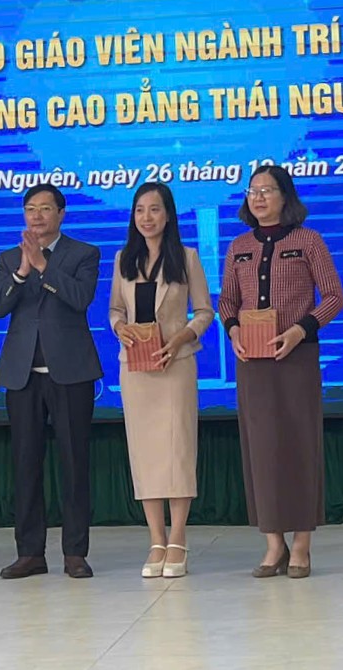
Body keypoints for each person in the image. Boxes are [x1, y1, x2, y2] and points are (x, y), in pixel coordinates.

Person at [218, 165, 343, 579]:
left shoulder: (308, 241)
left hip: (296, 358)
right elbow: (227, 302)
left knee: (300, 446)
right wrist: (234, 330)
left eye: (267, 190)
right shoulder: (238, 246)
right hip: (252, 363)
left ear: (285, 196)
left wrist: (300, 330)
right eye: (252, 191)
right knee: (261, 450)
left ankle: (302, 543)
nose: (258, 198)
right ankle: (274, 544)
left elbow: (334, 297)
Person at [0, 182, 102, 579]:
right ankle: (30, 553)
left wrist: (43, 267)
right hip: (22, 376)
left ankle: (75, 553)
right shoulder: (8, 258)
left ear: (61, 214)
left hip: (70, 373)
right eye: (30, 209)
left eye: (45, 208)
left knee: (74, 464)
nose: (37, 216)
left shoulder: (84, 253)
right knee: (25, 465)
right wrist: (22, 271)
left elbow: (80, 298)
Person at [108, 182, 214, 579]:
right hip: (136, 369)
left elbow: (204, 311)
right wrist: (120, 328)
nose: (146, 217)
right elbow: (115, 310)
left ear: (168, 214)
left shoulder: (186, 258)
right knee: (145, 453)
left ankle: (178, 538)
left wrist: (182, 336)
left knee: (177, 450)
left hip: (175, 365)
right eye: (140, 210)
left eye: (154, 209)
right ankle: (156, 540)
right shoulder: (123, 259)